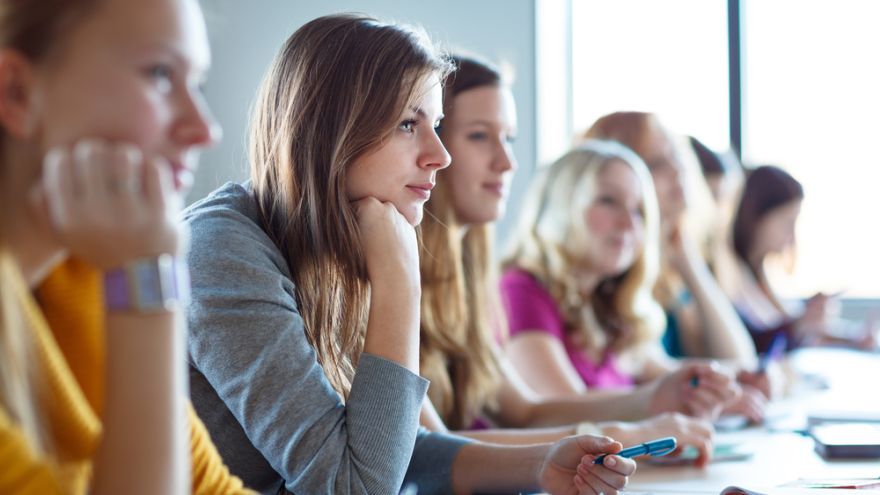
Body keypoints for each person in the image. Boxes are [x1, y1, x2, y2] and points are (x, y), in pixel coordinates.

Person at [184, 14, 635, 495]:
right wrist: (400, 280)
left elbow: (388, 447)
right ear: (331, 132)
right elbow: (355, 485)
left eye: (436, 124)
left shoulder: (333, 247)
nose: (439, 154)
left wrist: (541, 463)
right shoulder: (222, 252)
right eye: (406, 124)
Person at [417, 55, 723, 465]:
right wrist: (627, 432)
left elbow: (525, 411)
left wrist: (652, 400)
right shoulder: (507, 286)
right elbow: (430, 451)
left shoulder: (469, 281)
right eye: (478, 136)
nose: (507, 162)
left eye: (508, 139)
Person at [0, 0, 252, 493]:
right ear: (16, 93)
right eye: (160, 73)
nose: (205, 129)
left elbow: (210, 487)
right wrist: (149, 278)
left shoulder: (83, 271)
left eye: (195, 83)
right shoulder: (125, 270)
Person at [719, 165, 877, 353]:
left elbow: (788, 330)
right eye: (787, 222)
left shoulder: (759, 275)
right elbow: (753, 344)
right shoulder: (730, 274)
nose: (791, 237)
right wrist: (799, 324)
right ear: (757, 216)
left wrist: (851, 339)